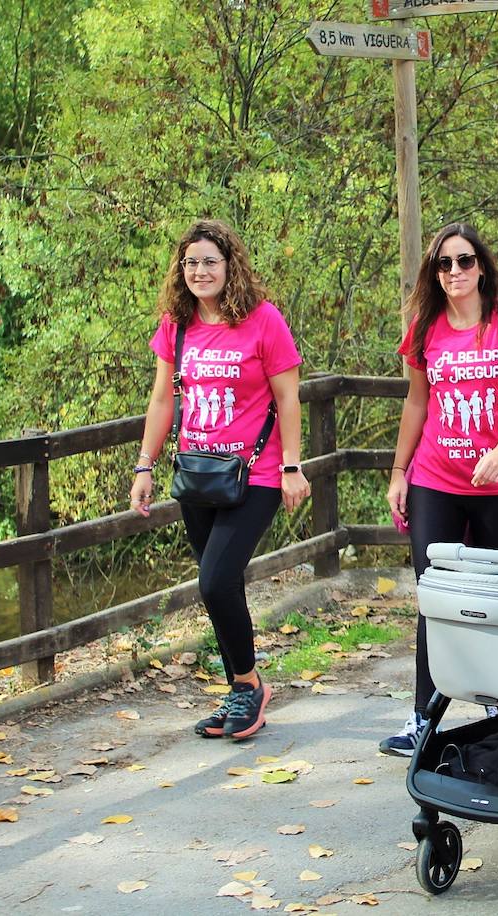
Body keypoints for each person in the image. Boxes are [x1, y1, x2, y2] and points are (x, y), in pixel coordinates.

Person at [130, 219, 309, 740]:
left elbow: (288, 398)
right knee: (220, 586)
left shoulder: (263, 321)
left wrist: (292, 467)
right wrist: (146, 464)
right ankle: (241, 688)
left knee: (212, 580)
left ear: (230, 265)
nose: (200, 271)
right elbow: (163, 399)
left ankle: (248, 686)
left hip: (254, 474)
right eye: (191, 263)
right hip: (198, 474)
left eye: (210, 261)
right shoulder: (177, 325)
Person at [381, 223, 498, 755]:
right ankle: (423, 719)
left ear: (482, 266)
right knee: (435, 597)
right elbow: (416, 403)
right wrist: (398, 471)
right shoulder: (426, 326)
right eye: (445, 263)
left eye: (465, 261)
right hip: (435, 478)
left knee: (495, 598)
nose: (455, 272)